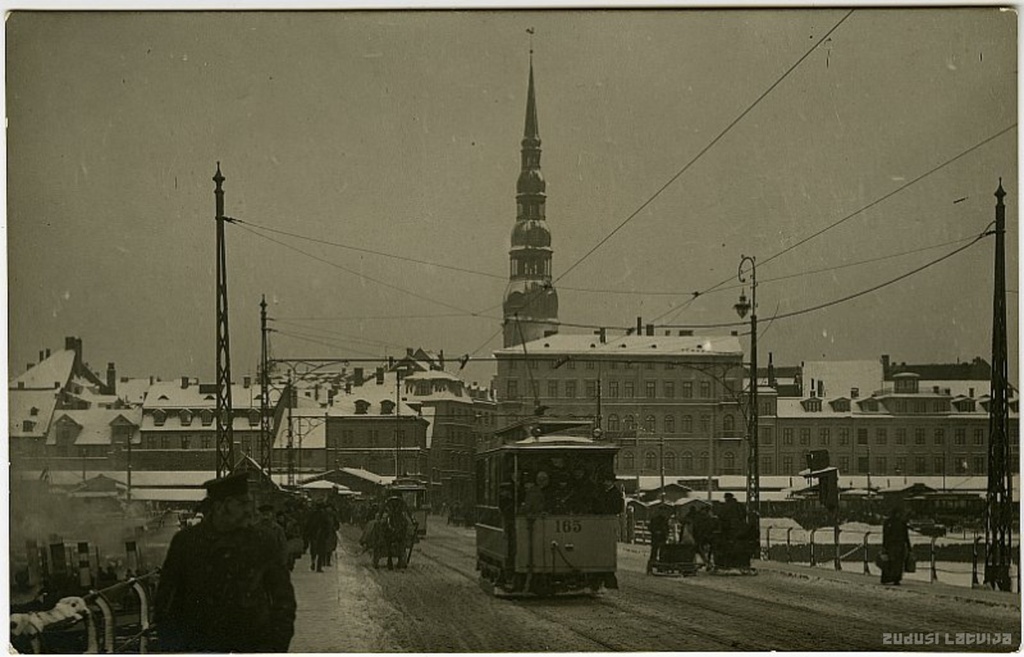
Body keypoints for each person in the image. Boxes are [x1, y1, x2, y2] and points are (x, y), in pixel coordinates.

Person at [154, 472, 296, 653]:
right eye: (242, 503)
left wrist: (276, 645)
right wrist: (174, 646)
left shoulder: (263, 542)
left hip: (252, 646)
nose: (249, 510)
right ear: (221, 507)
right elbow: (166, 600)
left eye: (249, 503)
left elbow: (283, 599)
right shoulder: (187, 542)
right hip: (201, 646)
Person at [881, 505, 912, 586]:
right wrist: (909, 547)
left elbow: (885, 535)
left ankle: (886, 578)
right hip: (899, 545)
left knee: (890, 562)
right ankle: (896, 579)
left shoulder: (888, 522)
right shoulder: (902, 523)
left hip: (891, 545)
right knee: (898, 563)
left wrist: (884, 545)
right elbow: (906, 536)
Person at [647, 507, 670, 574]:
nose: (662, 513)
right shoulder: (655, 519)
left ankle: (660, 567)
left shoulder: (664, 520)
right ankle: (651, 567)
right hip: (656, 538)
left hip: (661, 538)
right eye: (661, 511)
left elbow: (667, 529)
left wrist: (665, 534)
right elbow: (650, 527)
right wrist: (656, 531)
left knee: (661, 553)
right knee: (654, 553)